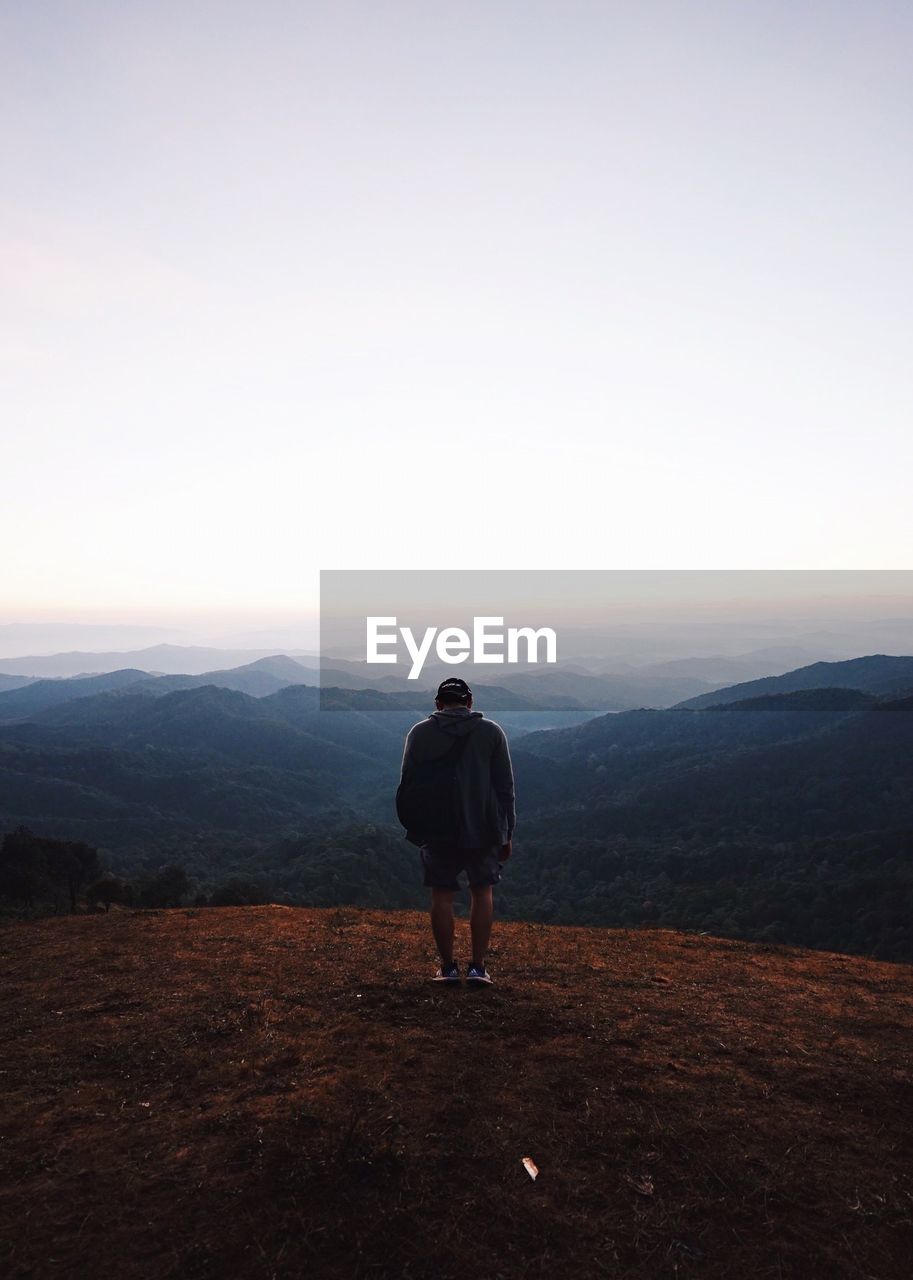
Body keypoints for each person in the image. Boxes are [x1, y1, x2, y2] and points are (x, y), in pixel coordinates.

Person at [397, 676, 516, 984]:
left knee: (442, 895)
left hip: (437, 827)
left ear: (437, 703)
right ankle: (478, 967)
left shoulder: (419, 733)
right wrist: (508, 832)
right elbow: (505, 788)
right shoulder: (491, 733)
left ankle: (448, 967)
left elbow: (408, 783)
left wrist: (415, 825)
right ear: (470, 702)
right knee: (482, 891)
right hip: (484, 827)